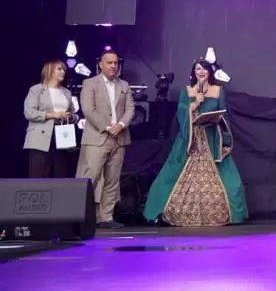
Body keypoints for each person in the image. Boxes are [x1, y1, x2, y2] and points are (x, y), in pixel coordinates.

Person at [143, 59, 248, 226]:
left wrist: (216, 119)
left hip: (211, 137)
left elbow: (223, 114)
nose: (201, 72)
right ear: (193, 72)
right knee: (171, 174)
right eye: (198, 69)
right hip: (191, 137)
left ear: (210, 72)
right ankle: (160, 212)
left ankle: (224, 214)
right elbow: (181, 114)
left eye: (205, 69)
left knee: (231, 182)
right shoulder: (187, 91)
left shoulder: (218, 90)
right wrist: (195, 104)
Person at [77, 50, 135, 229]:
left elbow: (130, 108)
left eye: (116, 63)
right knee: (90, 178)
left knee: (112, 180)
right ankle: (79, 216)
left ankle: (106, 217)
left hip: (120, 138)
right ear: (100, 64)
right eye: (109, 62)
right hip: (98, 137)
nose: (113, 66)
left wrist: (121, 125)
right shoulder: (90, 83)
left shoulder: (124, 84)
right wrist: (108, 127)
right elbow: (88, 110)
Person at [23, 60, 78, 178]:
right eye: (59, 69)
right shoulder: (36, 90)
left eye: (64, 69)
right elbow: (29, 112)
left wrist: (71, 117)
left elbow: (73, 113)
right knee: (39, 174)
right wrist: (53, 115)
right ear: (49, 71)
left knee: (61, 172)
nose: (63, 72)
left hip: (62, 135)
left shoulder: (66, 92)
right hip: (41, 136)